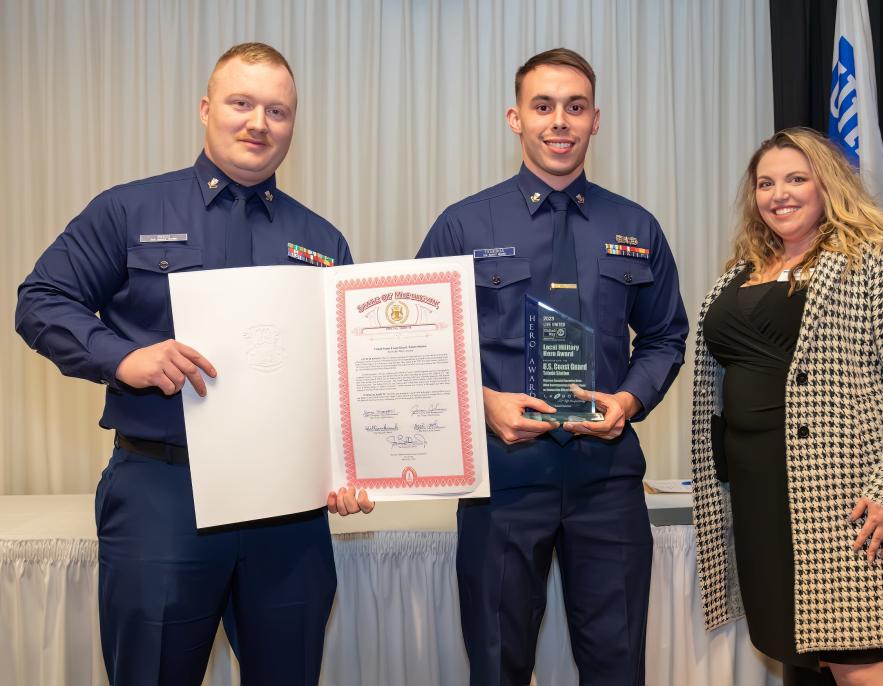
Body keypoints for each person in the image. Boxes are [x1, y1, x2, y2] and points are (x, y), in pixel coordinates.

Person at [15, 42, 372, 685]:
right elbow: (40, 301)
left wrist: (347, 466)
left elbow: (344, 373)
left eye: (278, 111)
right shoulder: (128, 211)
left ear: (293, 124)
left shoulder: (323, 241)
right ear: (206, 108)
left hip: (287, 511)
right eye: (241, 103)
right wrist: (123, 358)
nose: (258, 123)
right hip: (162, 490)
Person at [417, 48, 688, 685]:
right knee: (498, 664)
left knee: (618, 665)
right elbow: (425, 350)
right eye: (543, 106)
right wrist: (484, 403)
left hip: (608, 481)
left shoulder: (635, 226)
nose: (559, 121)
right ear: (515, 118)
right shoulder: (463, 225)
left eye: (574, 107)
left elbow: (665, 337)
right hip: (504, 482)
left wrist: (629, 401)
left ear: (597, 119)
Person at [691, 127, 883, 686]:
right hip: (758, 491)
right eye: (766, 183)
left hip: (844, 494)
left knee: (858, 659)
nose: (779, 193)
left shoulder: (877, 259)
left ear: (827, 185)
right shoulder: (742, 269)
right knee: (799, 650)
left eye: (796, 179)